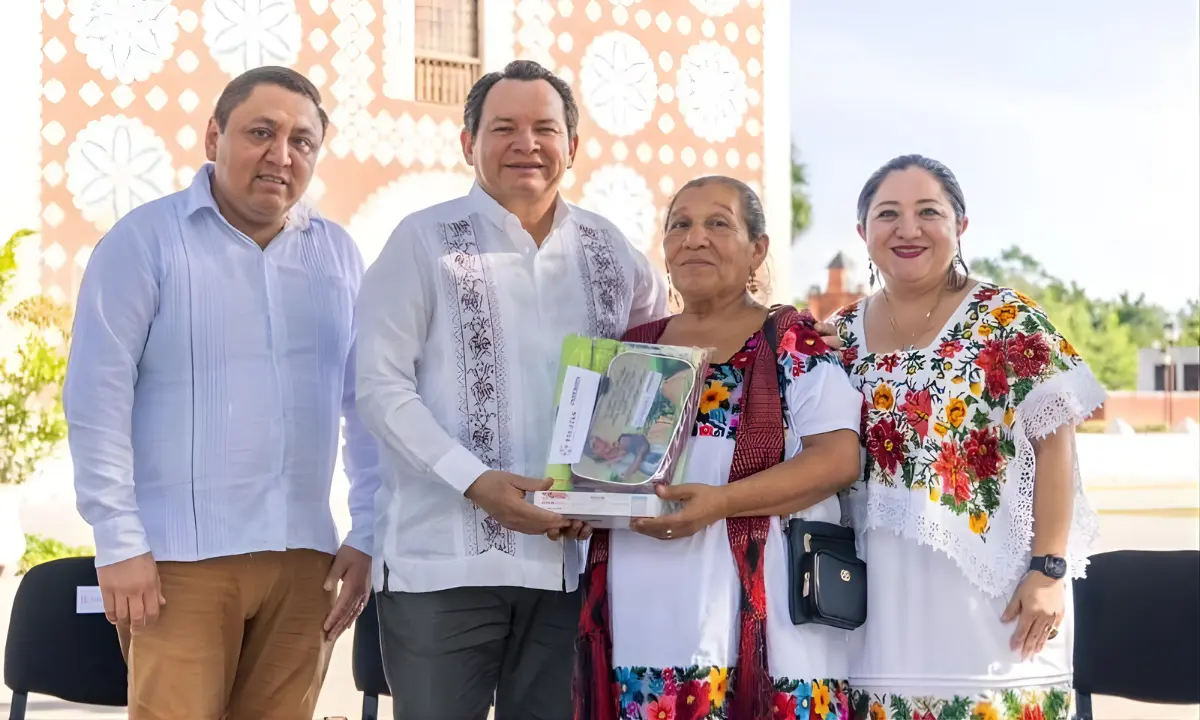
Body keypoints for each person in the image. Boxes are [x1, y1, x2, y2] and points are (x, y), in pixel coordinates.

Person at [62, 66, 380, 719]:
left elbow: (366, 405)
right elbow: (97, 397)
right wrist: (118, 540)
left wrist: (369, 529)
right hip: (179, 563)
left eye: (302, 141)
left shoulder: (339, 255)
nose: (281, 155)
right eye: (261, 132)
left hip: (305, 561)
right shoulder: (144, 242)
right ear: (214, 136)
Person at [354, 59, 668, 720]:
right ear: (468, 144)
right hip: (443, 567)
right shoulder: (421, 241)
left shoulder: (614, 254)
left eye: (544, 128)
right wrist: (477, 481)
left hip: (571, 568)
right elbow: (380, 388)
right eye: (504, 128)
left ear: (573, 147)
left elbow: (648, 380)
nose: (526, 144)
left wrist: (610, 490)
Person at [573, 176, 864, 720]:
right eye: (679, 224)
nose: (695, 238)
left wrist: (720, 503)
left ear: (758, 248)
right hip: (641, 611)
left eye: (718, 223)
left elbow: (837, 459)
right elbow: (601, 470)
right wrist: (577, 507)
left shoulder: (790, 341)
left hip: (761, 613)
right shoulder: (633, 349)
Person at [828, 155, 1106, 720]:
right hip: (874, 608)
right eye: (888, 214)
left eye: (928, 211)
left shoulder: (1008, 319)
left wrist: (1049, 569)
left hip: (997, 602)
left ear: (960, 226)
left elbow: (1056, 437)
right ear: (863, 234)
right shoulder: (839, 337)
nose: (908, 229)